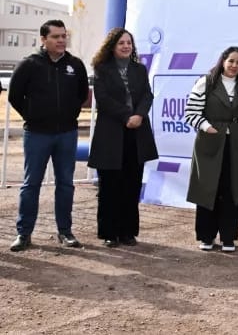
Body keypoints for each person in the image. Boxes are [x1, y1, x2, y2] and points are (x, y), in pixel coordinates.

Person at [8, 19, 89, 251]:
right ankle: (24, 234)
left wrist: (69, 114)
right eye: (55, 37)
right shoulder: (29, 64)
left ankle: (65, 232)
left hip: (67, 133)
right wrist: (33, 115)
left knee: (65, 184)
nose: (61, 40)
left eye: (64, 36)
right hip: (36, 134)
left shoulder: (75, 65)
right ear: (43, 39)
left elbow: (82, 94)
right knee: (31, 184)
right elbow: (15, 96)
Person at [88, 28, 159, 247]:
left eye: (129, 43)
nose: (126, 46)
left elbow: (147, 95)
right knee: (110, 186)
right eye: (121, 43)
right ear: (112, 46)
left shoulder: (139, 69)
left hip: (136, 134)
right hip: (111, 134)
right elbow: (103, 99)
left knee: (131, 185)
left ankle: (128, 232)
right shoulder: (102, 69)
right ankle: (109, 232)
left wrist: (139, 115)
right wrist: (127, 116)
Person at [184, 46, 238, 252]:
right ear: (223, 61)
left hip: (235, 143)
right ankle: (206, 236)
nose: (234, 66)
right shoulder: (207, 82)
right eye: (231, 61)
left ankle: (228, 237)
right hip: (209, 141)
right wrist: (207, 127)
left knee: (231, 188)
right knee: (207, 187)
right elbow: (191, 112)